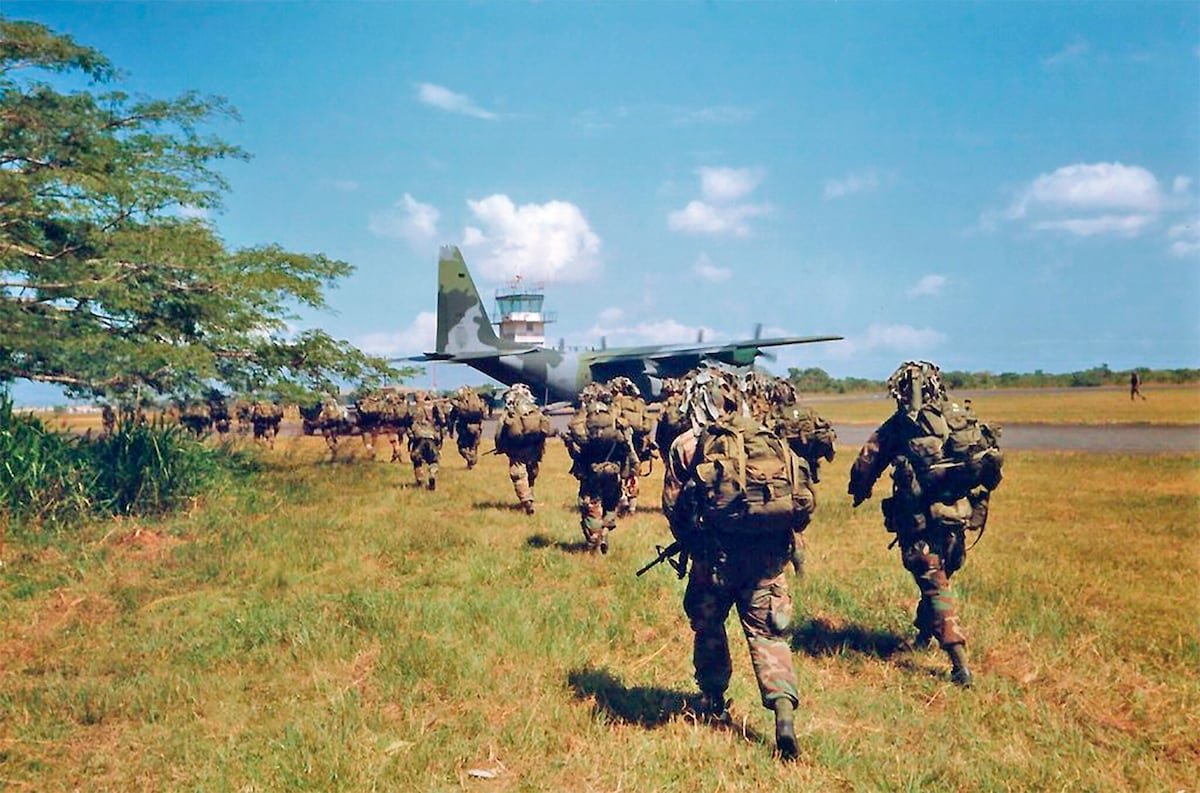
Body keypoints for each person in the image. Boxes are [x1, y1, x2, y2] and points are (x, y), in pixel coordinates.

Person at [661, 365, 815, 761]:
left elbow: (673, 507)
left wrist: (693, 543)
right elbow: (801, 502)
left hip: (715, 561)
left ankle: (713, 699)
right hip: (767, 560)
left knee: (709, 627)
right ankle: (783, 714)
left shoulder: (686, 445)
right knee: (769, 635)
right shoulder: (766, 439)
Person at [847, 361, 1004, 688]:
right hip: (956, 519)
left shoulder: (903, 424)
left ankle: (959, 661)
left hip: (919, 522)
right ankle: (923, 633)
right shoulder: (959, 418)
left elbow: (867, 460)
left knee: (935, 586)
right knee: (939, 578)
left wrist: (859, 490)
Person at [563, 383, 638, 554]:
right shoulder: (616, 417)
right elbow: (627, 446)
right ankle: (605, 532)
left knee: (590, 504)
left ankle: (593, 541)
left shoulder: (585, 419)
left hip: (591, 471)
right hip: (614, 471)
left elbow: (577, 450)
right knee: (611, 504)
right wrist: (632, 468)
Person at [494, 383, 552, 514]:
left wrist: (500, 447)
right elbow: (545, 428)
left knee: (518, 474)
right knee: (531, 471)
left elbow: (499, 434)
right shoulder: (534, 410)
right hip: (533, 447)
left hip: (517, 449)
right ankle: (530, 495)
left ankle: (526, 500)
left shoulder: (510, 412)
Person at [609, 376, 655, 515]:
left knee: (620, 472)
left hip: (622, 443)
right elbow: (648, 424)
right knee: (634, 475)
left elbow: (613, 420)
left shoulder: (618, 402)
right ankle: (632, 508)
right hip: (639, 443)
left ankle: (622, 499)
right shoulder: (640, 403)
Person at [409, 391, 443, 490]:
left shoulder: (413, 408)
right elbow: (442, 420)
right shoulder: (433, 407)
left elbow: (407, 421)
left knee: (416, 459)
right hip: (432, 436)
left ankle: (419, 478)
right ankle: (432, 473)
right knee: (434, 460)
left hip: (418, 437)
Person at [449, 385, 487, 468]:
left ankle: (470, 460)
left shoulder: (459, 406)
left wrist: (450, 431)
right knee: (473, 447)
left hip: (465, 428)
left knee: (462, 447)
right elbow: (485, 416)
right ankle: (472, 464)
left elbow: (452, 418)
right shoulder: (479, 403)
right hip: (477, 428)